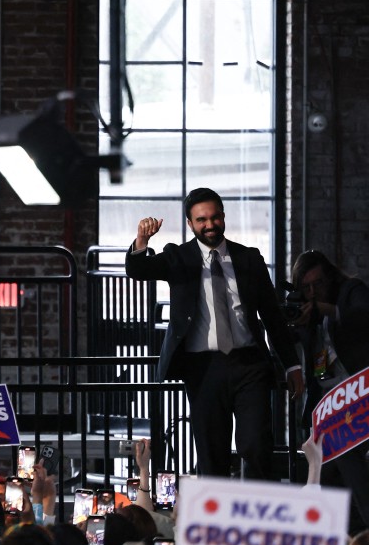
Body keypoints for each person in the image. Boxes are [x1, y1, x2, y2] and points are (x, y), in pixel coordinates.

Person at [126, 187, 303, 479]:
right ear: (190, 224)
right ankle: (217, 521)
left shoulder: (249, 258)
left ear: (223, 216)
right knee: (212, 454)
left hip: (249, 364)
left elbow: (272, 316)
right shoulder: (177, 257)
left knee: (256, 447)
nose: (209, 225)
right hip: (203, 368)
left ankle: (257, 516)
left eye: (215, 217)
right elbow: (138, 269)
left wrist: (293, 365)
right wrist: (142, 241)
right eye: (201, 220)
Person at [291, 250, 369, 532]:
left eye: (318, 284)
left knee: (346, 459)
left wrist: (327, 310)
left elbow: (363, 316)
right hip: (326, 406)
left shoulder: (351, 291)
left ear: (331, 278)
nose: (313, 292)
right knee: (329, 474)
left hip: (359, 399)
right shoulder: (306, 312)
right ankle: (342, 536)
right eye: (306, 287)